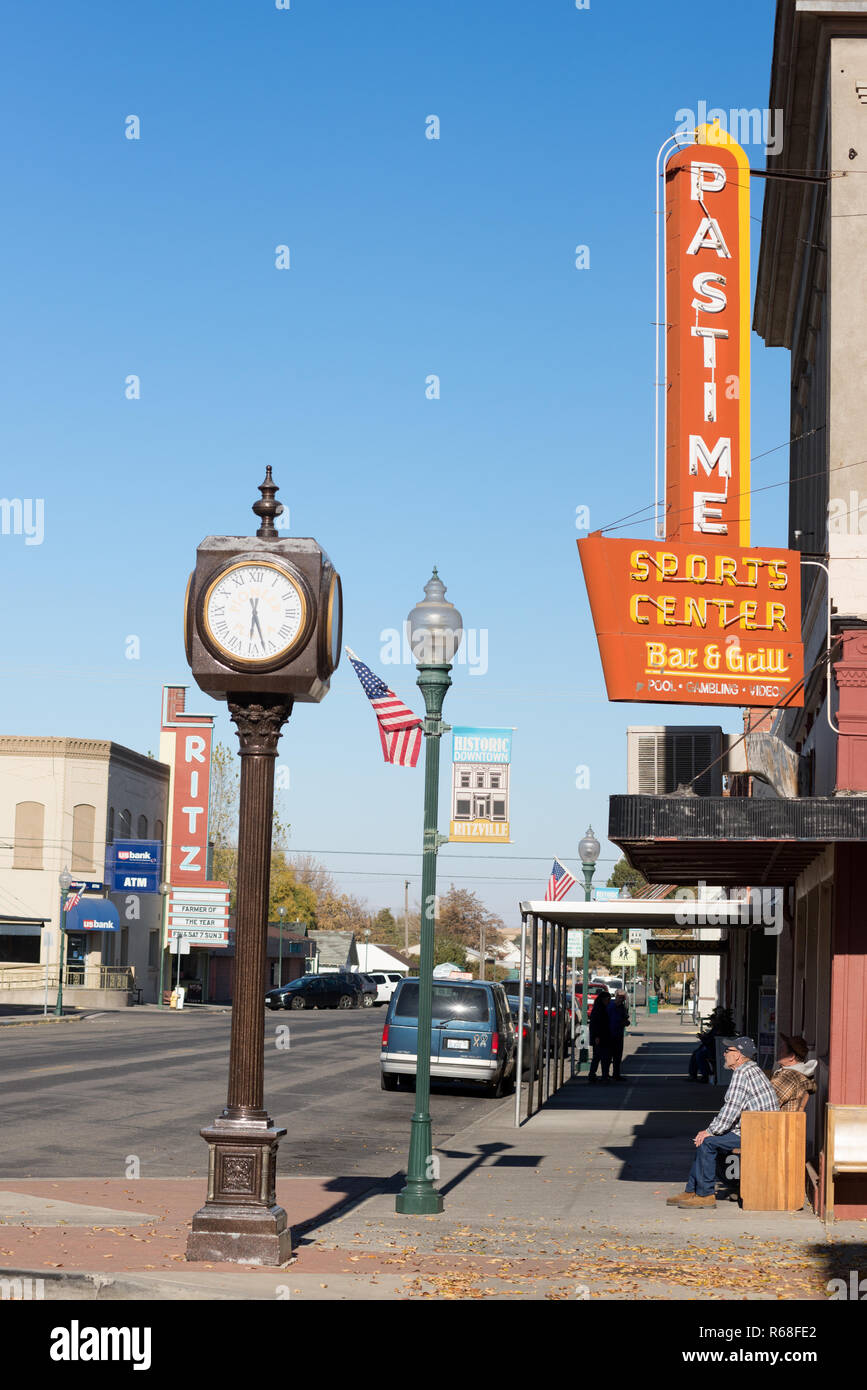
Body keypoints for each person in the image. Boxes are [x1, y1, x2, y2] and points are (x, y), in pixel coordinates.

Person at [666, 1036, 779, 1209]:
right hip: (757, 1128)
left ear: (739, 1055)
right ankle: (692, 1190)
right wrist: (711, 1131)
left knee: (707, 1142)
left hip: (757, 1132)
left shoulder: (742, 1073)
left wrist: (710, 1131)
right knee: (706, 1141)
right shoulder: (750, 1069)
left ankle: (705, 1195)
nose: (724, 1053)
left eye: (728, 1050)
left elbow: (731, 1108)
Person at [769, 1034, 817, 1112]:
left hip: (778, 1122)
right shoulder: (800, 1075)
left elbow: (767, 1104)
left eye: (781, 1050)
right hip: (788, 1122)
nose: (778, 1052)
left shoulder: (788, 1077)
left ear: (791, 1057)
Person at [587, 987, 611, 1084]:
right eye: (607, 1000)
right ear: (603, 1000)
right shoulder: (598, 1010)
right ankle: (593, 1074)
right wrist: (596, 1036)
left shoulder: (603, 1009)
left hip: (604, 1036)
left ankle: (602, 1075)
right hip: (599, 1037)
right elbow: (595, 1024)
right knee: (598, 1057)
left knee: (603, 1057)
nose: (608, 1002)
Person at [607, 989, 629, 1082]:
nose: (622, 999)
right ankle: (606, 1074)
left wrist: (625, 1022)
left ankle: (616, 1074)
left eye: (623, 998)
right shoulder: (611, 1006)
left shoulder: (622, 1007)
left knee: (617, 1056)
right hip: (610, 1034)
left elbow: (624, 1018)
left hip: (618, 1034)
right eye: (620, 997)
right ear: (616, 997)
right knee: (608, 1056)